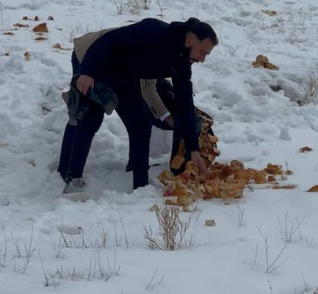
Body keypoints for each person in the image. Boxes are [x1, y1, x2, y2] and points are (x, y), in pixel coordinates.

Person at [57, 17, 218, 192]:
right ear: (189, 41)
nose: (202, 59)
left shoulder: (182, 63)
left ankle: (140, 186)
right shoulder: (154, 31)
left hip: (125, 74)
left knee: (140, 125)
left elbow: (184, 103)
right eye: (202, 52)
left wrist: (193, 148)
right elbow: (108, 40)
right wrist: (87, 72)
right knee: (89, 117)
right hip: (95, 60)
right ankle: (70, 176)